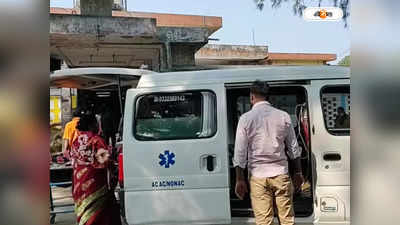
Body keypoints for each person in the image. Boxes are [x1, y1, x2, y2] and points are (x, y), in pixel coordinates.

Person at [233, 80, 304, 225]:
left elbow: (240, 152)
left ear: (251, 97)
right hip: (281, 174)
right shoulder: (283, 116)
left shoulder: (245, 119)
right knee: (287, 220)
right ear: (268, 97)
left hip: (258, 176)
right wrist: (298, 173)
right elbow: (293, 148)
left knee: (264, 221)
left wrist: (239, 179)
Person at [70, 114, 121, 225]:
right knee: (97, 215)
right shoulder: (96, 140)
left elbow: (73, 161)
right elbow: (105, 161)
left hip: (79, 186)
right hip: (94, 184)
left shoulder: (75, 142)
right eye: (97, 123)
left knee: (84, 214)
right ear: (92, 125)